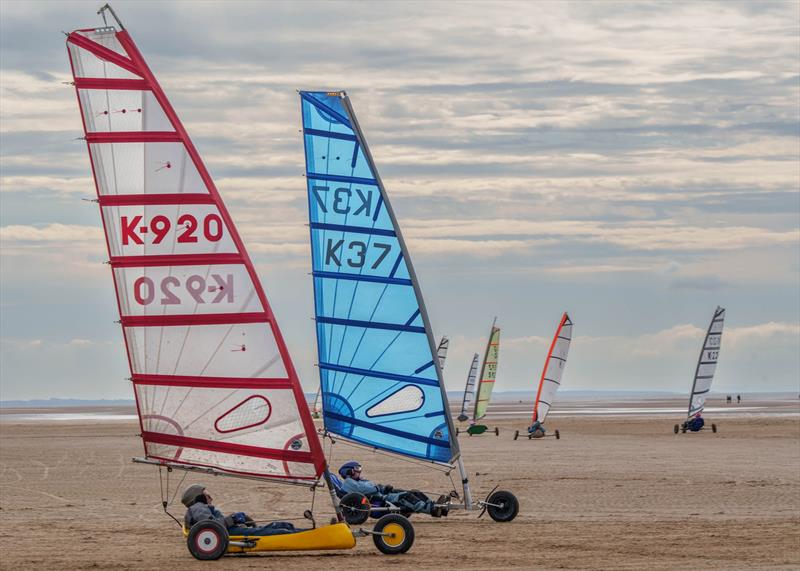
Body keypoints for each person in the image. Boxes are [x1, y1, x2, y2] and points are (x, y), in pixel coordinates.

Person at [181, 484, 301, 536]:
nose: (211, 498)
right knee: (279, 530)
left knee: (281, 526)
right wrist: (232, 519)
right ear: (198, 498)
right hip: (227, 534)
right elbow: (211, 526)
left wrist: (235, 520)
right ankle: (302, 535)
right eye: (208, 495)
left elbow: (215, 522)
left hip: (230, 531)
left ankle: (300, 531)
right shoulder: (197, 508)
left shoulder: (200, 509)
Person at [338, 461, 448, 517]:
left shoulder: (357, 481)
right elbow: (365, 490)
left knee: (414, 492)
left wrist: (381, 488)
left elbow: (368, 487)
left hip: (380, 495)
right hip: (379, 500)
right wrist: (379, 487)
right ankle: (431, 509)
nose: (359, 471)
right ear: (350, 471)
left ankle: (434, 506)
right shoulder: (348, 483)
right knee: (406, 497)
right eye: (357, 469)